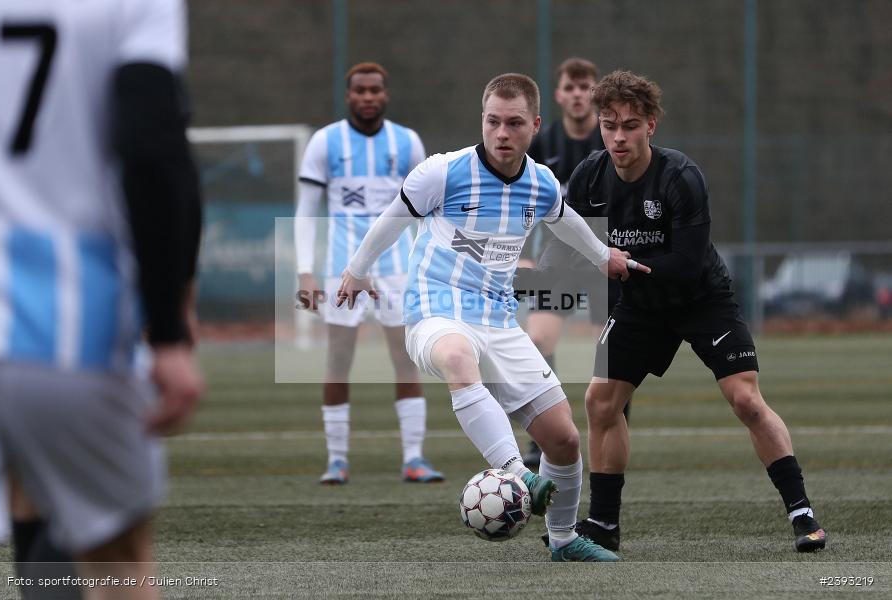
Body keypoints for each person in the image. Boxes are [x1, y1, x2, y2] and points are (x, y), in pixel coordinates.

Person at [337, 73, 649, 561]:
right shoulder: (441, 172)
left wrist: (602, 255)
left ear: (535, 125)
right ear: (482, 120)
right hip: (435, 310)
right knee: (458, 358)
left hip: (499, 321)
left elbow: (564, 220)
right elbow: (391, 220)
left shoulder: (540, 182)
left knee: (564, 439)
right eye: (493, 121)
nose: (502, 133)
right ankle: (517, 472)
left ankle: (563, 539)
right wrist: (357, 271)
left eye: (514, 123)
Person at [563, 70, 826, 553]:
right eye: (609, 125)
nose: (618, 137)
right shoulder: (588, 177)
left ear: (651, 125)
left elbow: (685, 266)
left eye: (630, 126)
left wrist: (615, 264)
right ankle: (603, 525)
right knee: (600, 402)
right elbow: (573, 247)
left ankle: (802, 513)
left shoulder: (680, 176)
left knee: (746, 400)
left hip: (702, 299)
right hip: (640, 305)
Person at [0, 1, 204, 599]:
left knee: (32, 487)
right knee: (117, 562)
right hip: (62, 318)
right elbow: (153, 148)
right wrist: (168, 330)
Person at [295, 62, 443, 485]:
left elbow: (427, 209)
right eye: (359, 90)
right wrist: (305, 273)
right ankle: (336, 460)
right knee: (338, 361)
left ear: (385, 94)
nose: (367, 97)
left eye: (374, 90)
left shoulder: (407, 141)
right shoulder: (325, 142)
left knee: (405, 359)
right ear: (348, 96)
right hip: (342, 272)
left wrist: (428, 263)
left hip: (397, 271)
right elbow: (306, 210)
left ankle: (413, 458)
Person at [518, 58, 627, 469]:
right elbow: (525, 199)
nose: (578, 94)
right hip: (559, 257)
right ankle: (543, 436)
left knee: (611, 353)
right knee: (538, 340)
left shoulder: (612, 138)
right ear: (559, 95)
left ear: (595, 95)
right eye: (571, 87)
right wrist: (524, 250)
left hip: (607, 256)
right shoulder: (543, 144)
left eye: (585, 87)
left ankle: (612, 429)